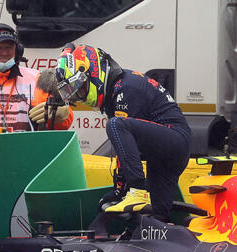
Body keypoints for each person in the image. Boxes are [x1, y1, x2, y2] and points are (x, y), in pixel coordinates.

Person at [55, 44, 190, 221]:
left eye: (80, 88)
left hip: (173, 139)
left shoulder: (125, 88)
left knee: (115, 125)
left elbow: (124, 144)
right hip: (164, 151)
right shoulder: (117, 88)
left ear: (92, 73)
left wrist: (128, 187)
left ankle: (138, 191)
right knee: (157, 218)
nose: (80, 97)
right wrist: (119, 190)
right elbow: (127, 150)